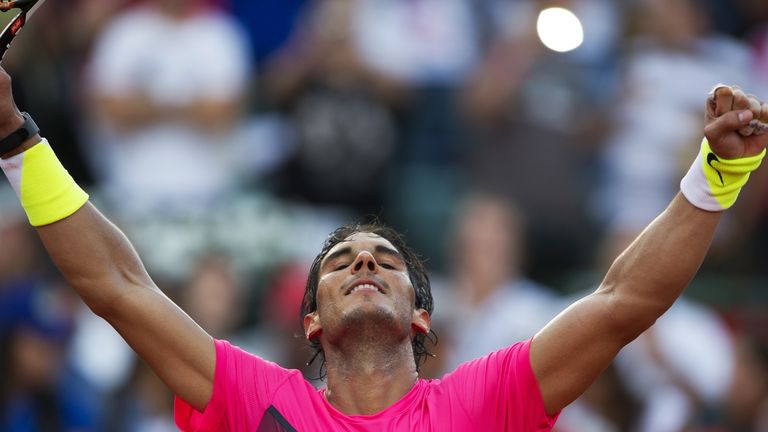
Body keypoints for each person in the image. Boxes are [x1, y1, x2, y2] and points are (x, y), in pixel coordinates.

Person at [1, 66, 768, 431]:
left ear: (422, 319)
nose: (364, 263)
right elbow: (118, 286)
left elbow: (622, 303)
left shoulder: (482, 401)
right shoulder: (251, 395)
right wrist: (14, 137)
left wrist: (718, 174)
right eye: (339, 262)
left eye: (386, 262)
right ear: (308, 323)